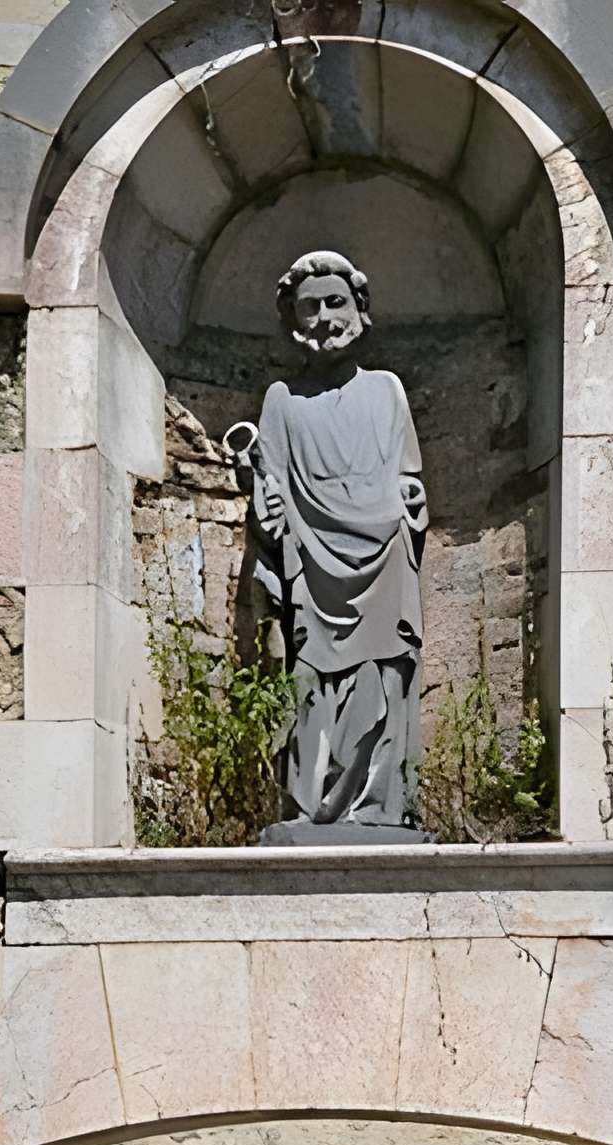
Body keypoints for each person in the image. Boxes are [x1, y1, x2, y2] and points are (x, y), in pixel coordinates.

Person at [227, 251, 427, 828]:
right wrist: (263, 500)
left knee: (387, 675)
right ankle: (313, 804)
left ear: (359, 309)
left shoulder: (387, 389)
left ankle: (381, 807)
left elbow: (408, 475)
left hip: (384, 554)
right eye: (309, 307)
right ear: (293, 320)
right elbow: (271, 488)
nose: (324, 318)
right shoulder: (282, 399)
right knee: (310, 680)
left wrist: (411, 502)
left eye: (335, 302)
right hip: (313, 562)